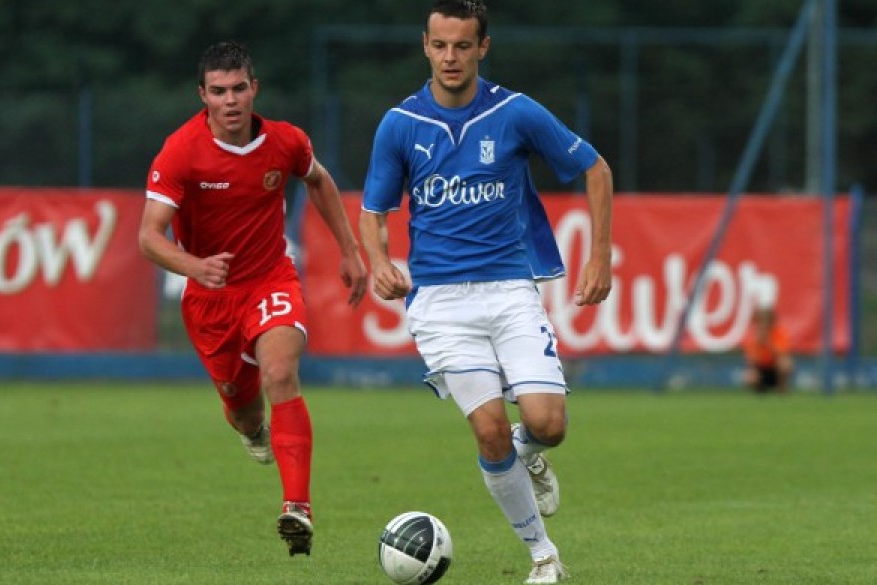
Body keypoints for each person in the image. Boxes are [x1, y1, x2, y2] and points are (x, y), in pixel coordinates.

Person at [359, 1, 613, 583]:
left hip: (510, 290)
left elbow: (595, 168)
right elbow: (374, 210)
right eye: (440, 45)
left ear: (483, 48)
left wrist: (600, 256)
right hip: (440, 305)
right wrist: (378, 262)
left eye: (462, 46)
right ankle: (543, 556)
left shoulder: (514, 112)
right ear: (426, 46)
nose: (450, 57)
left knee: (550, 425)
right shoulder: (400, 124)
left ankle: (527, 455)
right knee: (488, 429)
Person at [138, 41, 367, 556]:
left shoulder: (285, 141)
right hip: (210, 300)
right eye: (219, 91)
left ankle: (297, 508)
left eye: (239, 88)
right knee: (243, 412)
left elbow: (319, 181)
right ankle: (251, 426)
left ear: (254, 89)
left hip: (270, 280)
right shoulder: (181, 151)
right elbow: (149, 236)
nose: (231, 101)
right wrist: (194, 266)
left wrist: (350, 251)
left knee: (281, 372)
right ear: (203, 96)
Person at [742, 305, 793, 393]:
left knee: (785, 363)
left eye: (766, 322)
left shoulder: (779, 333)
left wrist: (768, 343)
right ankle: (760, 389)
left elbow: (783, 354)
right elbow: (751, 361)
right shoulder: (753, 336)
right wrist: (758, 345)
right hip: (760, 369)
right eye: (760, 322)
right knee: (748, 376)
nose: (763, 325)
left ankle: (781, 388)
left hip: (774, 369)